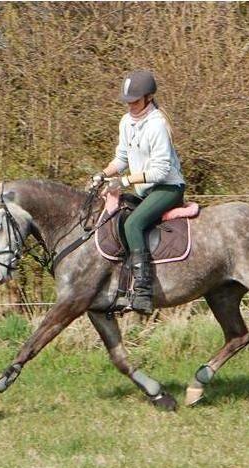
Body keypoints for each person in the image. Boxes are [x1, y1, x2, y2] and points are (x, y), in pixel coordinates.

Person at [90, 70, 186, 314]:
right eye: (128, 101)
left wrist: (124, 181)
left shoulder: (157, 125)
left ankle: (143, 291)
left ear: (148, 97)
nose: (130, 105)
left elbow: (161, 171)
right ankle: (123, 284)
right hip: (146, 190)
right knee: (116, 217)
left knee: (133, 224)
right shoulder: (126, 122)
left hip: (168, 188)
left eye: (135, 100)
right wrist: (102, 174)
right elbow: (121, 158)